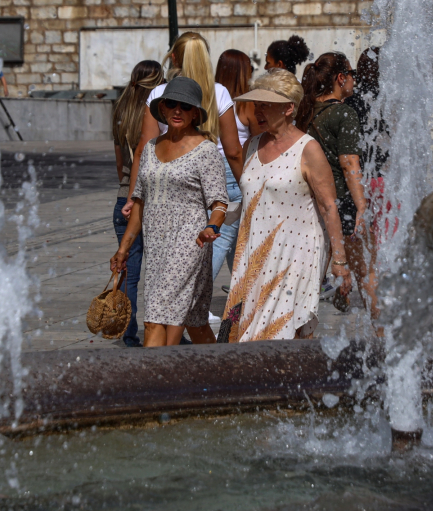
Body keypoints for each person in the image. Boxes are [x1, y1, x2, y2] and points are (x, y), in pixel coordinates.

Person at [122, 31, 245, 325]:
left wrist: (132, 194)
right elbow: (233, 151)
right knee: (209, 255)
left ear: (174, 58)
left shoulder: (159, 94)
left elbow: (145, 148)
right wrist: (249, 187)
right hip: (219, 175)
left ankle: (177, 325)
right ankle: (186, 321)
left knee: (183, 264)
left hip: (167, 178)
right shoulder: (219, 92)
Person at [223, 69, 352, 342]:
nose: (258, 111)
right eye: (257, 105)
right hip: (253, 253)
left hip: (296, 255)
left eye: (266, 105)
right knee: (246, 331)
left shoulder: (309, 150)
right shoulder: (252, 145)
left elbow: (329, 207)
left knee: (282, 333)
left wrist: (339, 261)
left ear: (288, 109)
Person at [110, 77, 229, 347]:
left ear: (195, 113)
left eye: (185, 106)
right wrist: (123, 249)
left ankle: (156, 384)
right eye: (171, 104)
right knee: (195, 323)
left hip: (190, 244)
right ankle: (221, 373)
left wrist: (212, 227)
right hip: (157, 247)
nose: (178, 110)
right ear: (162, 108)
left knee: (159, 319)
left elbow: (219, 203)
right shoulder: (150, 149)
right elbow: (139, 202)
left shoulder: (206, 151)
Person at [297, 52, 381, 328]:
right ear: (340, 78)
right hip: (341, 202)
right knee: (366, 272)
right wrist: (361, 206)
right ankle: (381, 333)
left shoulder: (306, 111)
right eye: (351, 74)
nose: (355, 80)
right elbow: (349, 163)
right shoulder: (344, 113)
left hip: (310, 202)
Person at [109, 60, 163, 347]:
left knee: (128, 272)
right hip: (151, 201)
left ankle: (128, 334)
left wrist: (126, 192)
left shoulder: (119, 110)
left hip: (122, 199)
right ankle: (161, 331)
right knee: (159, 272)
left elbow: (120, 164)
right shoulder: (157, 113)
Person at [212, 49, 261, 284]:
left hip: (209, 168)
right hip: (235, 169)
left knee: (233, 239)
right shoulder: (246, 103)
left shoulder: (212, 97)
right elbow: (260, 140)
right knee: (223, 236)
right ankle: (195, 299)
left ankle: (242, 293)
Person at [344, 46, 396, 241]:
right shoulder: (391, 100)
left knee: (359, 233)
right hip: (384, 178)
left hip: (357, 178)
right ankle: (376, 270)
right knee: (383, 234)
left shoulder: (350, 101)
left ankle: (365, 271)